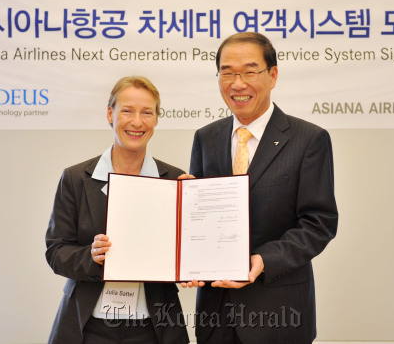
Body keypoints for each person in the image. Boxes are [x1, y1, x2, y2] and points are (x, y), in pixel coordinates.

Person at [181, 32, 338, 343]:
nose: (237, 83)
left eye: (249, 71)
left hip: (280, 314)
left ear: (273, 75)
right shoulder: (206, 137)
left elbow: (319, 224)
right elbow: (198, 221)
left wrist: (263, 260)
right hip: (216, 315)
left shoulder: (309, 139)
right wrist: (183, 208)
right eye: (227, 72)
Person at [45, 76, 190, 344]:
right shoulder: (76, 178)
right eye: (127, 111)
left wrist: (197, 211)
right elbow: (56, 251)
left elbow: (188, 251)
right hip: (88, 326)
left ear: (156, 119)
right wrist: (91, 256)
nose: (137, 122)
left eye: (147, 112)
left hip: (155, 326)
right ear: (110, 114)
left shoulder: (175, 181)